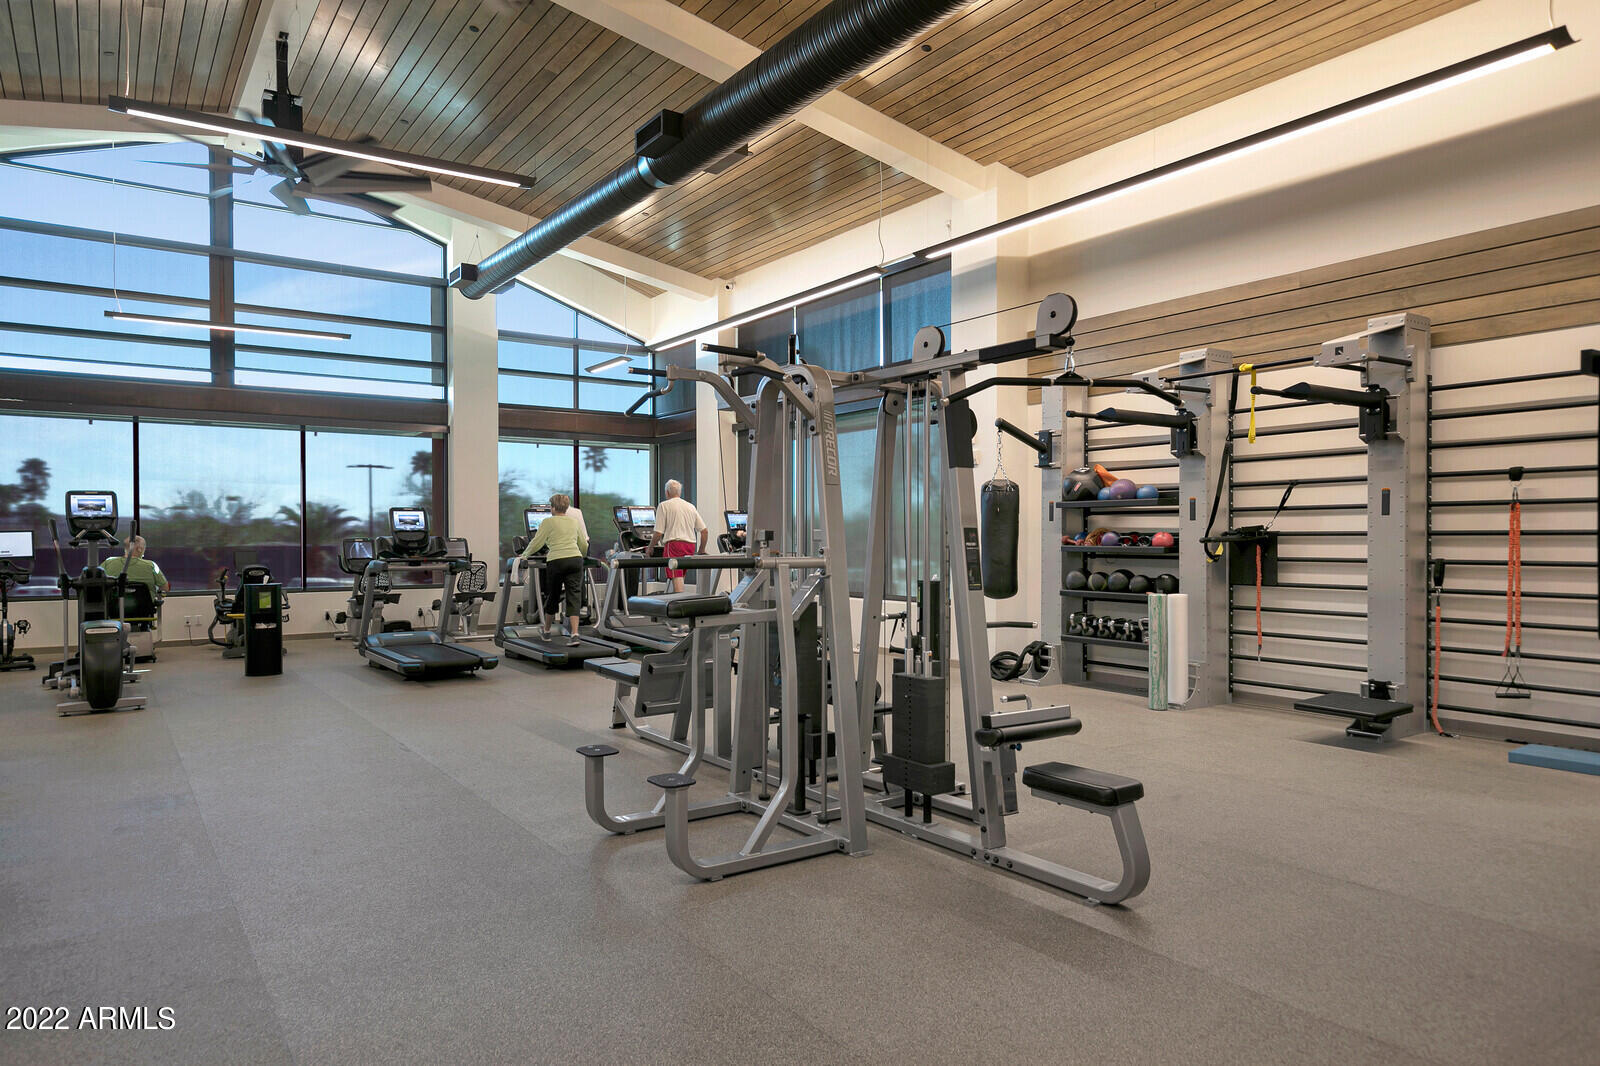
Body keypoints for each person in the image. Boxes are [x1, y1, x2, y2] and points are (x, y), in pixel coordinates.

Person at [519, 493, 589, 645]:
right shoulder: (574, 521)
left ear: (553, 508)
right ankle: (575, 634)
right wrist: (582, 556)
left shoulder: (548, 522)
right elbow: (583, 544)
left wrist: (524, 555)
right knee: (574, 596)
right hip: (575, 560)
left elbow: (537, 542)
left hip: (557, 561)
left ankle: (546, 631)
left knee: (553, 596)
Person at [649, 479, 707, 594]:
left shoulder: (664, 506)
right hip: (690, 546)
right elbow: (704, 531)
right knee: (680, 577)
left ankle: (679, 601)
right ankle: (676, 598)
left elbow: (658, 532)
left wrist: (650, 547)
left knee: (677, 577)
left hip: (674, 544)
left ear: (667, 492)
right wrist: (701, 550)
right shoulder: (690, 506)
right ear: (679, 492)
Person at [102, 534, 170, 603]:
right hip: (144, 608)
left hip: (113, 607)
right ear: (139, 549)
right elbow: (165, 588)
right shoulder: (152, 565)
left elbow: (98, 580)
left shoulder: (108, 561)